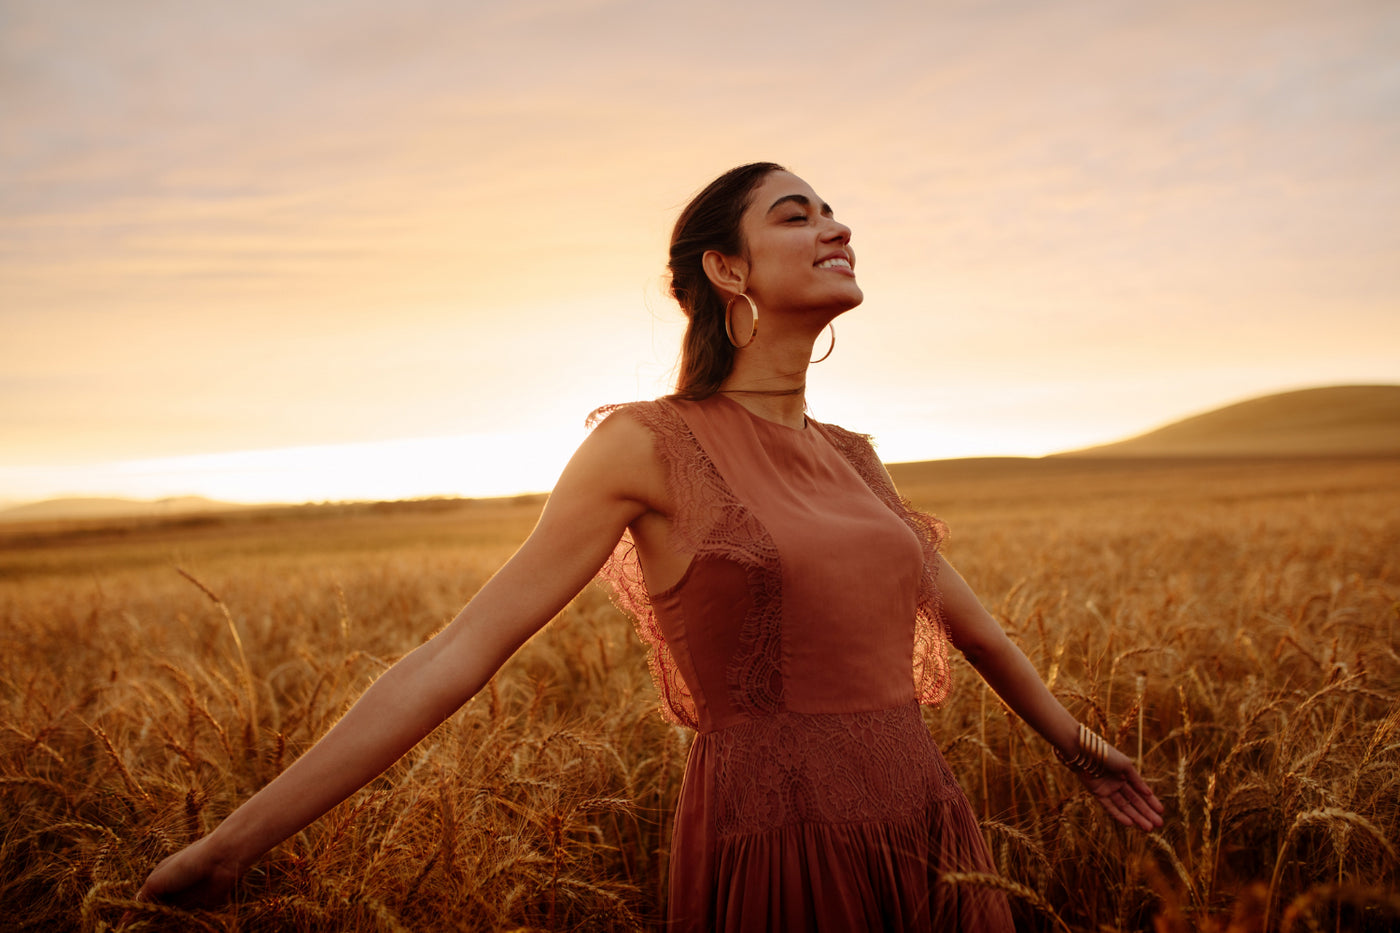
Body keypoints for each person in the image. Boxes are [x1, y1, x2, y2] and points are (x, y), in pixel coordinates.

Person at [138, 162, 1165, 930]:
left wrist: (1078, 750)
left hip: (927, 828)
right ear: (727, 266)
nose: (836, 225)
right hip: (779, 843)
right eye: (794, 213)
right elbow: (458, 654)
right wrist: (233, 846)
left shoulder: (853, 457)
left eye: (835, 210)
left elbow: (973, 630)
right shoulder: (644, 443)